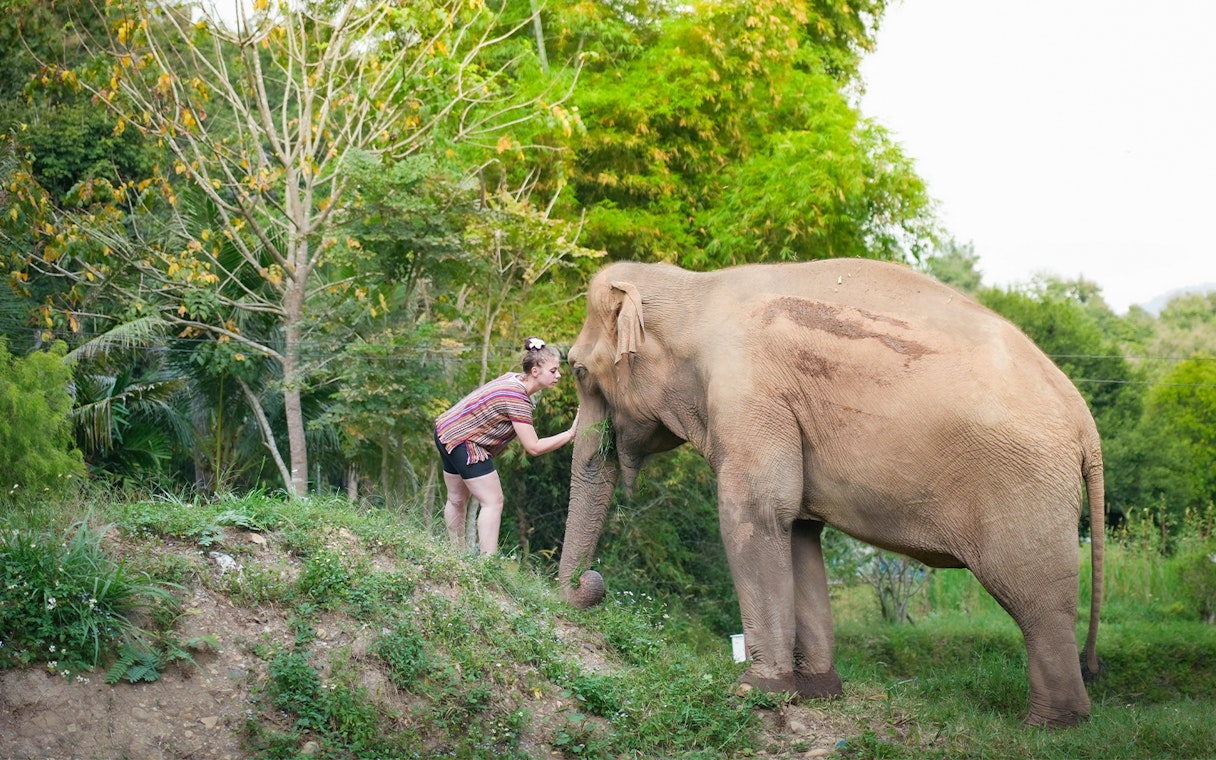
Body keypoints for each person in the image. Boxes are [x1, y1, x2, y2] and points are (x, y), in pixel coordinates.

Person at [435, 336, 579, 555]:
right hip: (465, 442)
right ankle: (488, 563)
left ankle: (456, 556)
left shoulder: (512, 379)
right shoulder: (517, 399)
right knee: (493, 501)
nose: (558, 376)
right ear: (535, 371)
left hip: (446, 430)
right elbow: (534, 447)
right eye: (553, 371)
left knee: (456, 499)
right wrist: (570, 434)